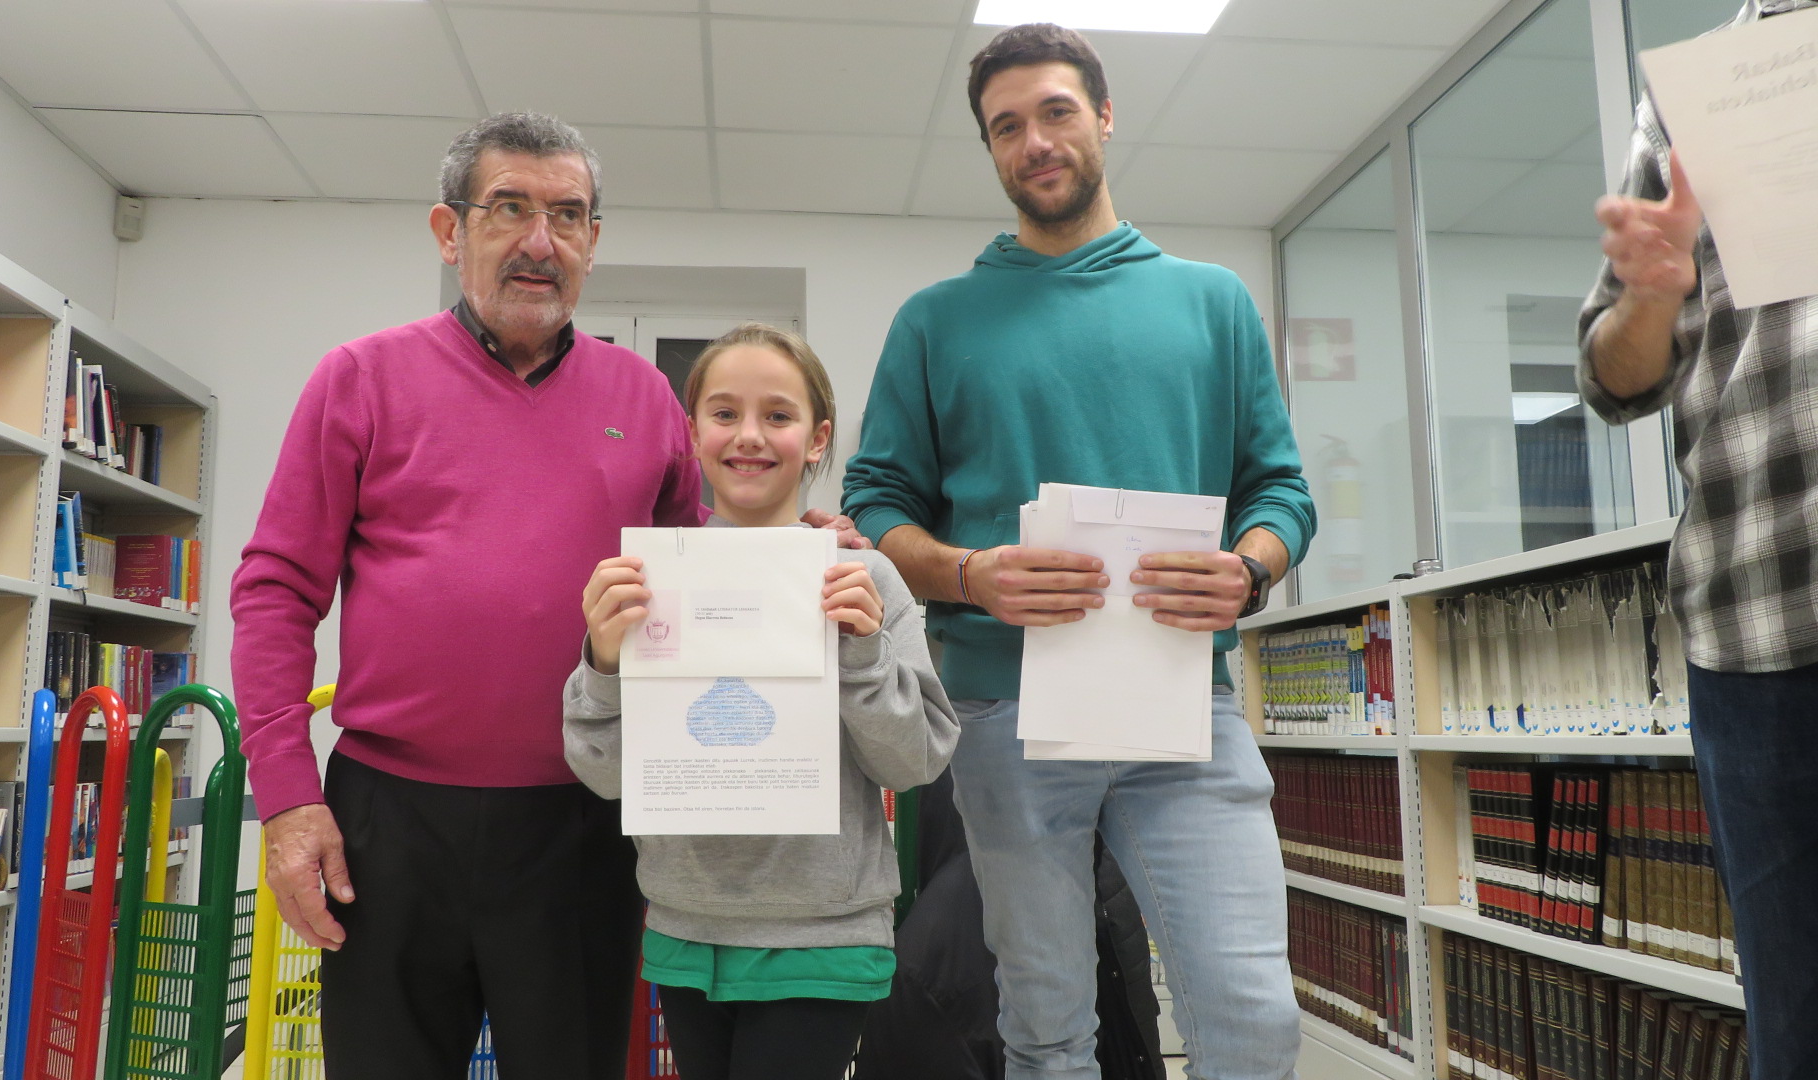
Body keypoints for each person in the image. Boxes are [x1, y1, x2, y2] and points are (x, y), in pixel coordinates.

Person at [231, 115, 858, 1080]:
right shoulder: (360, 379)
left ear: (593, 243)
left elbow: (701, 569)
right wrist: (285, 803)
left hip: (582, 823)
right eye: (509, 208)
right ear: (450, 231)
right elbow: (275, 590)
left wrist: (794, 554)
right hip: (390, 823)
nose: (540, 240)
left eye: (567, 216)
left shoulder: (646, 398)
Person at [841, 23, 1315, 1080]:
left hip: (1183, 707)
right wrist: (970, 573)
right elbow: (874, 501)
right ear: (991, 149)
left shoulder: (1212, 302)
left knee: (1254, 1017)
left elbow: (1281, 490)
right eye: (1006, 127)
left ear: (1103, 116)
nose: (1034, 141)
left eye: (1055, 112)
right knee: (1047, 1028)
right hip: (1005, 712)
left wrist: (1249, 569)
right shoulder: (936, 323)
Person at [563, 322, 960, 1080]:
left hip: (823, 934)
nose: (749, 435)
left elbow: (913, 763)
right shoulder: (647, 579)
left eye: (778, 415)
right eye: (725, 413)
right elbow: (604, 774)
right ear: (693, 433)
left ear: (818, 439)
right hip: (686, 927)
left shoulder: (865, 579)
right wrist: (605, 663)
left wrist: (861, 652)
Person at [1578, 3, 1817, 1075]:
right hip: (1757, 615)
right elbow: (1611, 378)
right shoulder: (1705, 91)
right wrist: (1652, 293)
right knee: (1794, 1027)